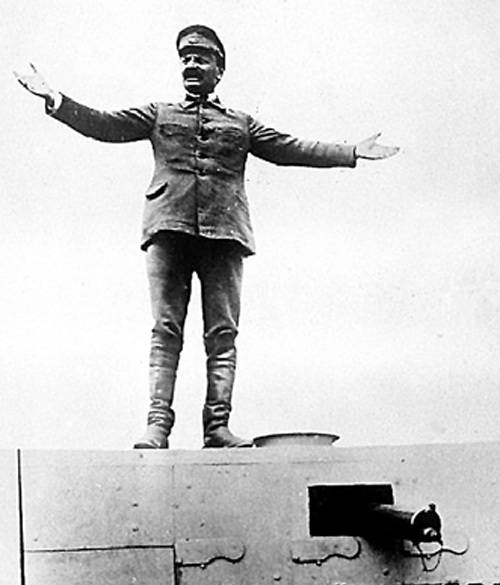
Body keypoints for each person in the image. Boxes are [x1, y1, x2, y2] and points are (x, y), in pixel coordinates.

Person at [15, 25, 399, 450]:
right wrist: (56, 99)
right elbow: (104, 125)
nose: (191, 65)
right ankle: (157, 427)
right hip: (168, 228)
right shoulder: (159, 113)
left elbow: (290, 148)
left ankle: (217, 428)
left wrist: (350, 151)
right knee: (166, 329)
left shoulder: (241, 123)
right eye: (185, 58)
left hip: (225, 232)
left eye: (201, 58)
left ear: (219, 69)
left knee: (222, 333)